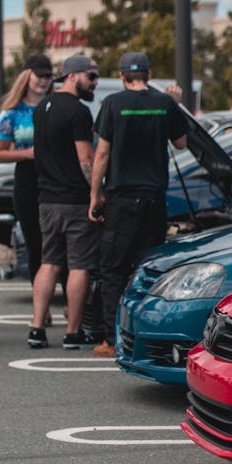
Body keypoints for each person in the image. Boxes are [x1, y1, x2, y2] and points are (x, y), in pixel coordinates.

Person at [89, 52, 187, 358]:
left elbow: (102, 154)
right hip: (154, 197)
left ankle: (110, 337)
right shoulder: (164, 103)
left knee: (113, 268)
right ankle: (146, 336)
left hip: (121, 197)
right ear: (149, 73)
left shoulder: (113, 104)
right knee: (149, 267)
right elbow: (182, 142)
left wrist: (95, 194)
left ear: (121, 76)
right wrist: (175, 100)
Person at [27, 54, 100, 349]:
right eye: (90, 76)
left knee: (49, 262)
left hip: (46, 198)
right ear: (72, 76)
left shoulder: (42, 107)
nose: (94, 83)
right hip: (74, 200)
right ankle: (72, 332)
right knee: (79, 265)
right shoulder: (78, 111)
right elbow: (86, 159)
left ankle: (36, 328)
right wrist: (98, 192)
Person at [0, 54, 54, 288]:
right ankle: (41, 301)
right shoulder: (12, 113)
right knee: (34, 244)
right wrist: (29, 153)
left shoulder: (55, 105)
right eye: (39, 76)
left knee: (58, 244)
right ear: (26, 76)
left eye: (48, 76)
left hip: (55, 179)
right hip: (27, 180)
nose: (44, 81)